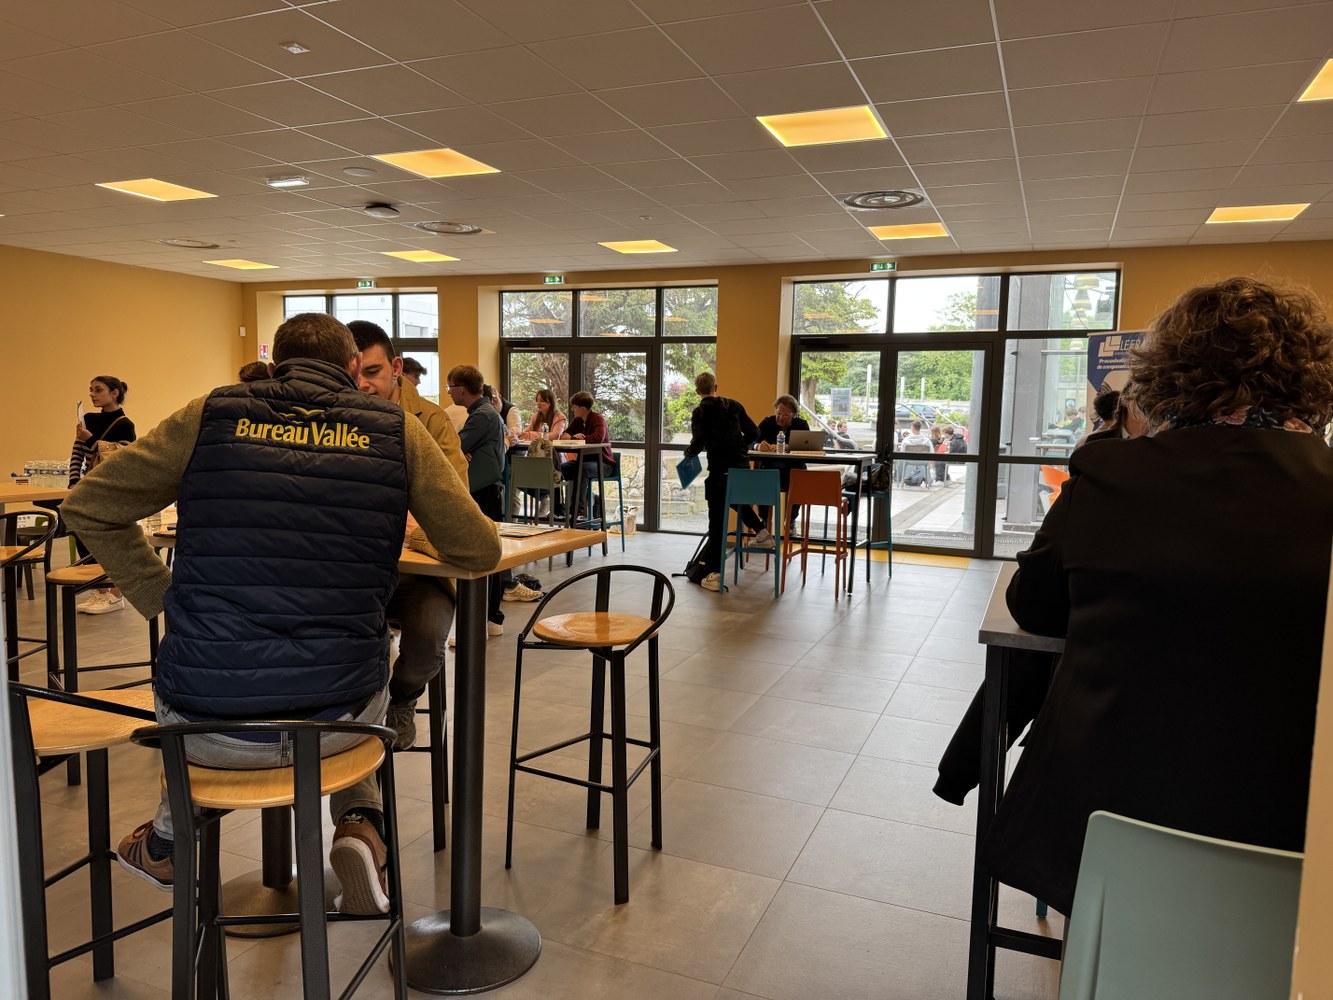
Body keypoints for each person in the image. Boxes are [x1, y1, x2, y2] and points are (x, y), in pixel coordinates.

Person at [60, 312, 501, 913]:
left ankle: (169, 839)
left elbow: (88, 506)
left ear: (272, 367)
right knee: (365, 664)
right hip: (340, 724)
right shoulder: (395, 429)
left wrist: (163, 597)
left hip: (205, 728)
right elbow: (479, 549)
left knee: (205, 678)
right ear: (352, 367)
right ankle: (361, 825)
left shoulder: (210, 413)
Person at [975, 276, 1333, 916]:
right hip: (1300, 847)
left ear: (1171, 373)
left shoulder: (1111, 477)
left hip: (1110, 824)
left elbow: (1035, 608)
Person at [348, 321, 510, 749]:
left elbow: (453, 504)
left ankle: (401, 698)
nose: (363, 385)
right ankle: (356, 719)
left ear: (396, 368)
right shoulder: (338, 418)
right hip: (354, 570)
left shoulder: (431, 421)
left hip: (421, 576)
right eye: (354, 374)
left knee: (425, 644)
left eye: (373, 372)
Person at [447, 364, 524, 638]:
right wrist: (462, 452)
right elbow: (459, 449)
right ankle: (489, 617)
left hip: (483, 491)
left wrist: (460, 452)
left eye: (450, 388)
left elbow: (453, 447)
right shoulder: (486, 412)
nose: (449, 393)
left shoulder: (481, 416)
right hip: (485, 490)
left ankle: (485, 619)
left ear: (462, 389)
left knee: (483, 556)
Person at [683, 372, 768, 592]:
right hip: (741, 467)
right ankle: (761, 532)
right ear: (716, 387)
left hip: (719, 469)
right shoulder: (734, 405)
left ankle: (715, 574)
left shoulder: (700, 412)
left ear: (697, 391)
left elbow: (698, 442)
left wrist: (689, 453)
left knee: (717, 523)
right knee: (735, 499)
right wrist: (739, 447)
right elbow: (755, 432)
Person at [68, 374, 137, 614]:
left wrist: (91, 439)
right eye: (91, 390)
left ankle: (116, 594)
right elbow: (77, 452)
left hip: (113, 489)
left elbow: (121, 460)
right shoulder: (88, 419)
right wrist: (73, 481)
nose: (92, 394)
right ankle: (100, 589)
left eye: (98, 390)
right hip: (89, 486)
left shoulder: (125, 425)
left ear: (114, 393)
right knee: (82, 534)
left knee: (111, 540)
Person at [557, 391, 615, 519]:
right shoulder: (577, 421)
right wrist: (572, 437)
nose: (572, 409)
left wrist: (574, 438)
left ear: (583, 408)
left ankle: (575, 512)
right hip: (583, 462)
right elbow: (564, 435)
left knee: (582, 469)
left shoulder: (598, 419)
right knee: (558, 470)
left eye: (574, 407)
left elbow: (598, 438)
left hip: (603, 464)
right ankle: (559, 509)